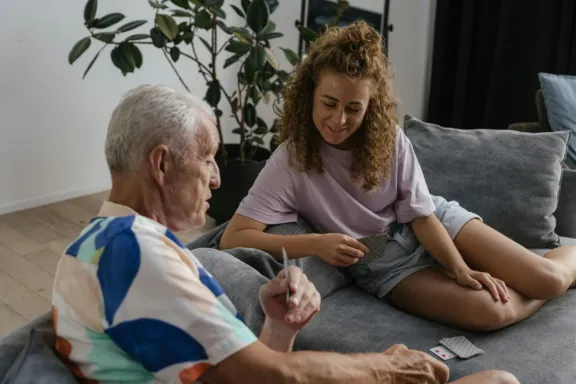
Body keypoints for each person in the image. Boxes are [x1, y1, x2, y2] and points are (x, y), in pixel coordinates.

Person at [50, 85, 518, 384]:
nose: (216, 178)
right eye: (208, 157)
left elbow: (241, 374)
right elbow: (270, 376)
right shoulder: (131, 251)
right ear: (161, 163)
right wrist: (385, 368)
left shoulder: (105, 244)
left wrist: (277, 327)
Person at [220, 19, 576, 335]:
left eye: (354, 108)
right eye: (329, 103)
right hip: (382, 264)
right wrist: (317, 244)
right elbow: (233, 238)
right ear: (310, 93)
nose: (339, 119)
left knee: (549, 278)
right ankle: (540, 289)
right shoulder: (290, 160)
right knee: (494, 312)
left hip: (436, 222)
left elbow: (420, 215)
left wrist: (460, 269)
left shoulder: (387, 138)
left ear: (370, 106)